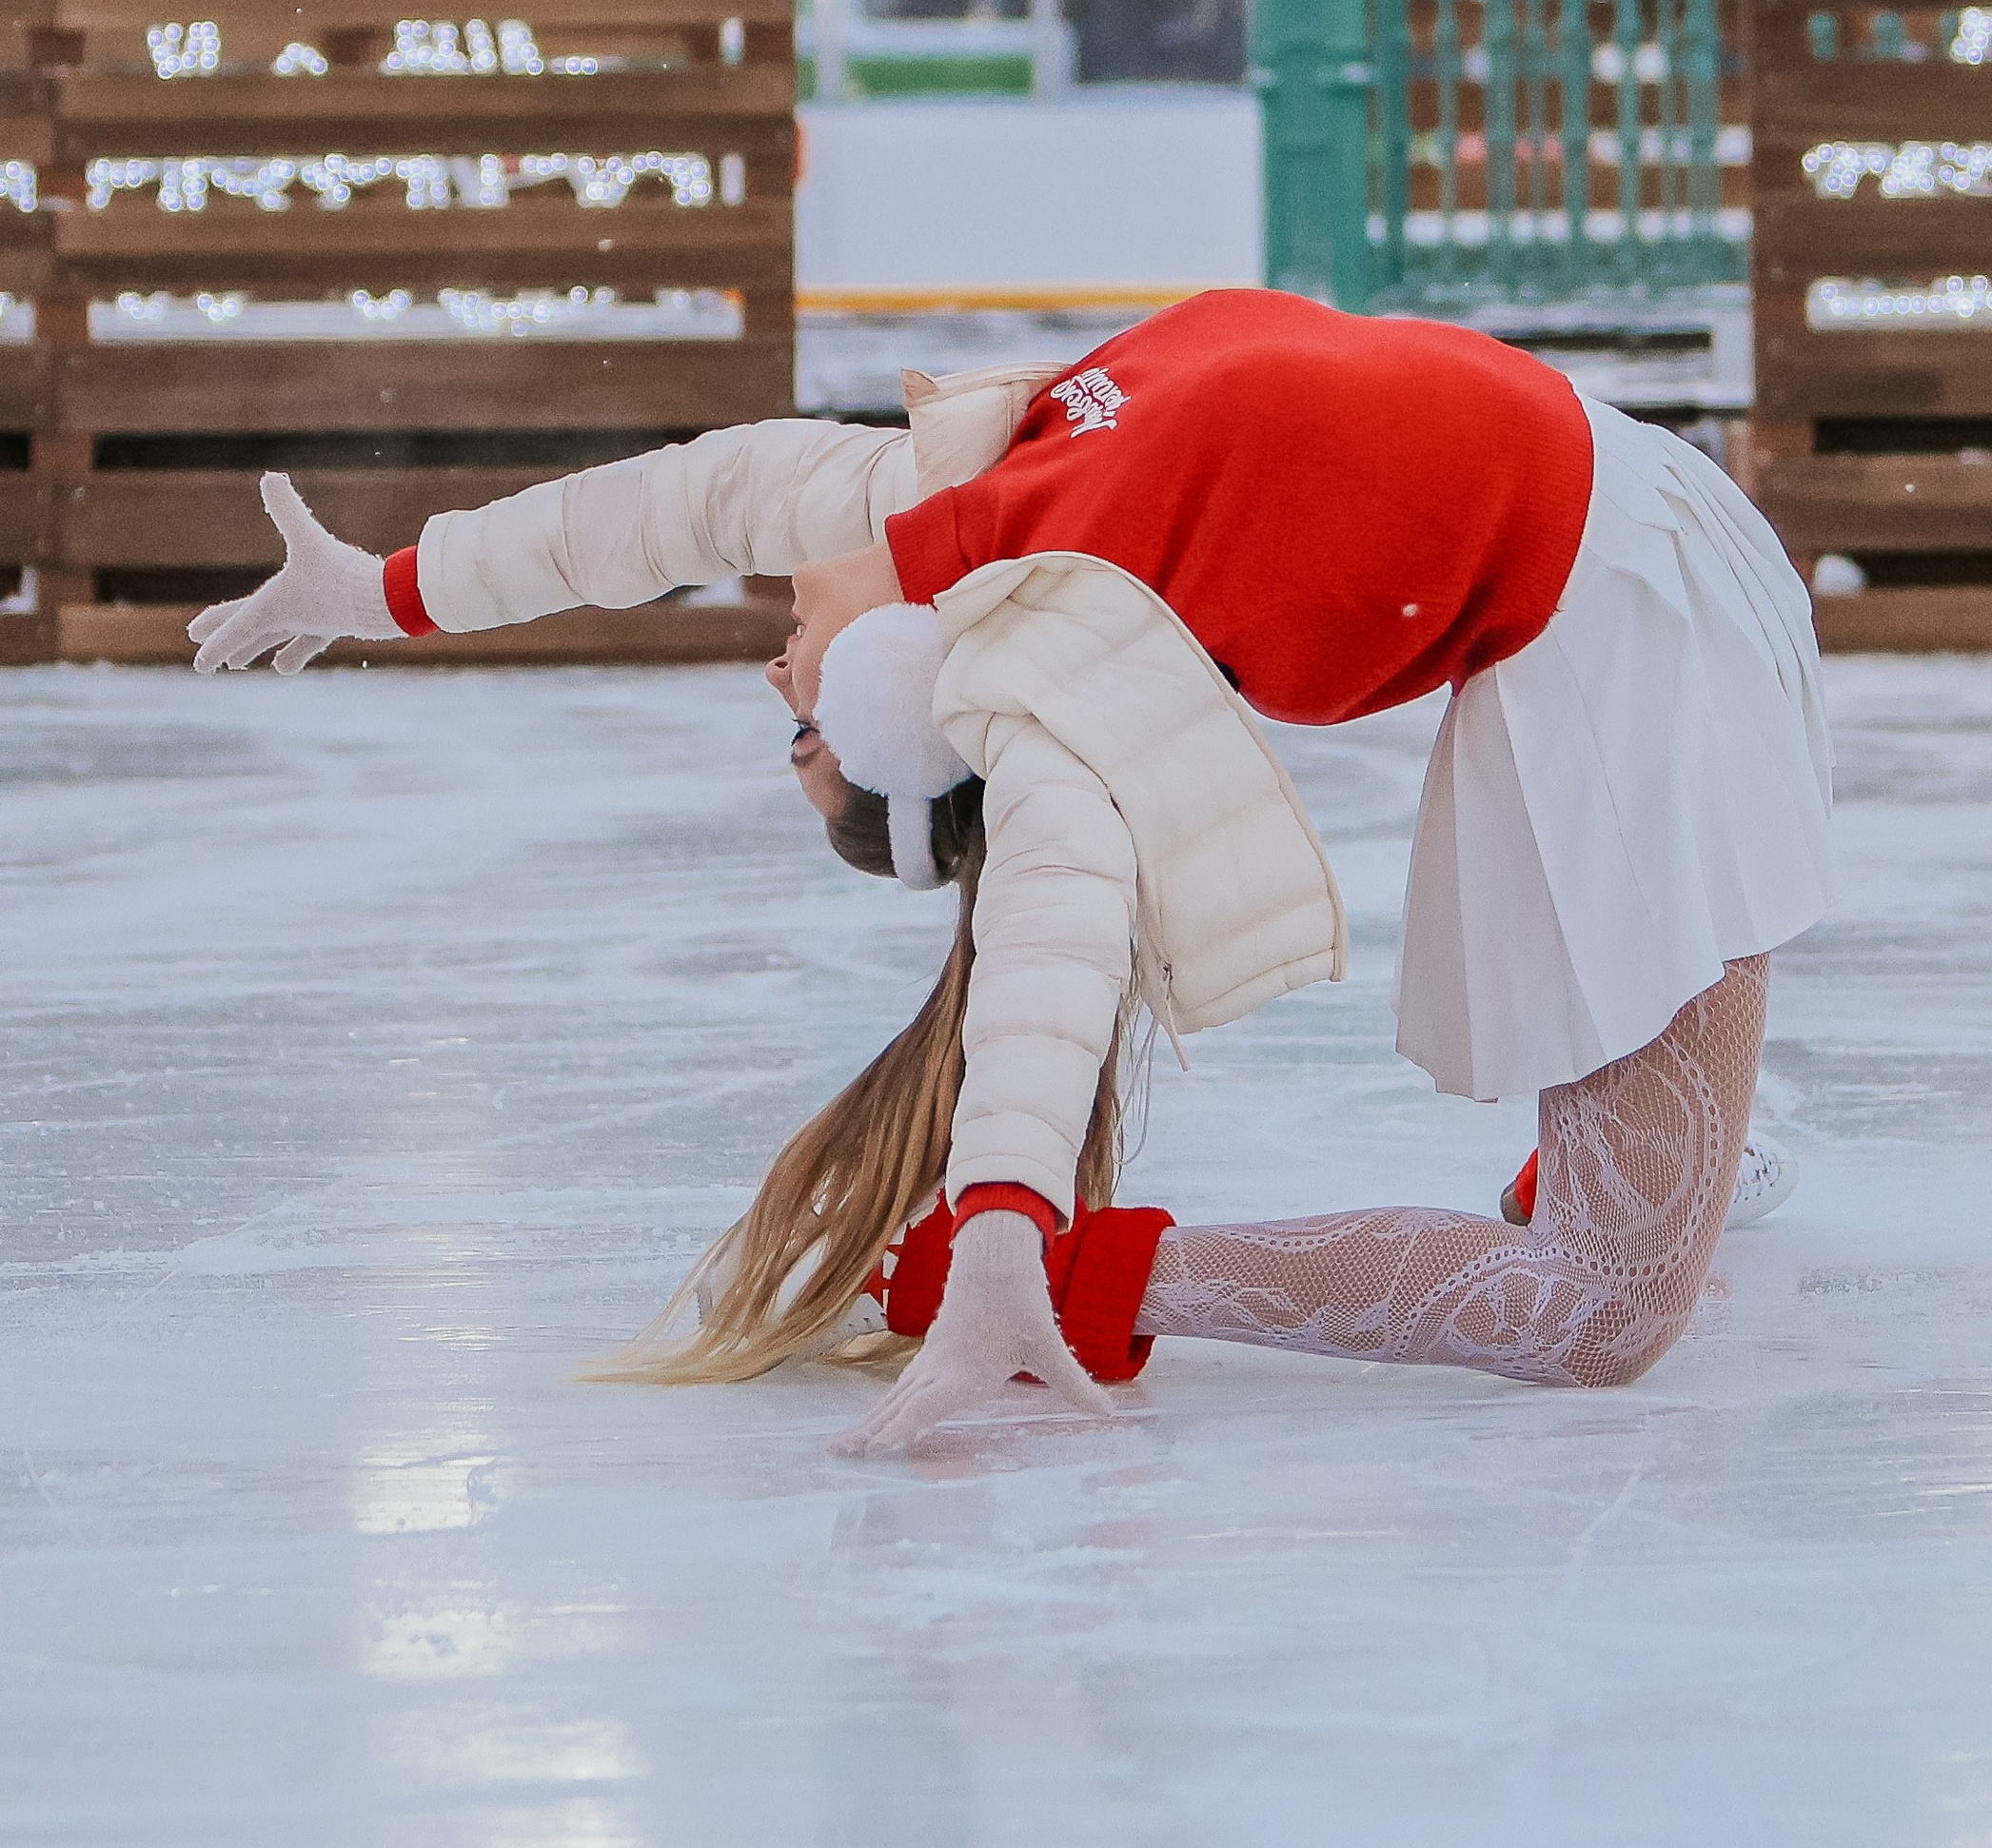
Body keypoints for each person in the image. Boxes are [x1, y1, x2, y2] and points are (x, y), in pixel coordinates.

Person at [190, 290, 1832, 1451]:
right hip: (1619, 626)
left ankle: (1659, 1130)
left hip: (1631, 558)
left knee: (1618, 1241)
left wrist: (388, 591)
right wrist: (1009, 1241)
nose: (779, 687)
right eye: (807, 735)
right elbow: (1045, 960)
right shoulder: (1041, 686)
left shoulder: (955, 506)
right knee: (1603, 1307)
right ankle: (1119, 1278)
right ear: (917, 722)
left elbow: (689, 500)